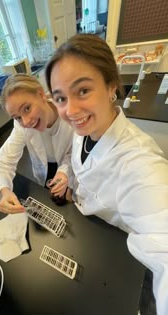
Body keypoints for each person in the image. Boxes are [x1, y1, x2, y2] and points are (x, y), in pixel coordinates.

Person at [45, 33, 168, 315]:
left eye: (83, 91)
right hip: (88, 233)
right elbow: (80, 164)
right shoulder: (86, 129)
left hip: (120, 258)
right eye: (60, 98)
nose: (70, 110)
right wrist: (68, 178)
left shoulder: (140, 162)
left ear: (111, 84)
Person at [0, 74, 74, 214]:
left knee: (69, 202)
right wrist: (4, 191)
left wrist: (65, 172)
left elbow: (77, 151)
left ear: (41, 94)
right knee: (48, 195)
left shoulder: (70, 113)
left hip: (72, 163)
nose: (26, 122)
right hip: (45, 168)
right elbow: (4, 161)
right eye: (17, 117)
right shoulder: (21, 126)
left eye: (27, 108)